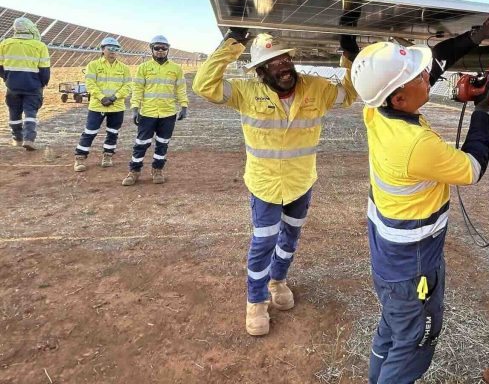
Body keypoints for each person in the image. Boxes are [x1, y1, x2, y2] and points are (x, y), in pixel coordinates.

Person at [350, 16, 489, 384]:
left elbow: (435, 61)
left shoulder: (376, 110)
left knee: (393, 328)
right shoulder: (416, 145)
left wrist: (476, 36)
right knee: (415, 339)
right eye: (418, 78)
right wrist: (483, 111)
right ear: (400, 98)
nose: (427, 77)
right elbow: (471, 169)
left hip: (389, 264)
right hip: (414, 269)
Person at [192, 30, 358, 337]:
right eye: (273, 62)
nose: (282, 66)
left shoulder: (316, 88)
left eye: (285, 59)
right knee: (263, 242)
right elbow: (204, 86)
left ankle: (278, 281)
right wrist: (232, 44)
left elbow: (349, 94)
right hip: (265, 184)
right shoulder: (245, 92)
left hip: (301, 182)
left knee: (290, 237)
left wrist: (350, 57)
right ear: (260, 71)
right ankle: (256, 302)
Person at [122, 35, 188, 186]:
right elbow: (137, 89)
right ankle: (134, 171)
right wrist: (135, 109)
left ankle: (157, 170)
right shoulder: (143, 68)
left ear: (168, 50)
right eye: (157, 48)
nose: (160, 50)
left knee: (162, 143)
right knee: (141, 143)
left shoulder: (176, 69)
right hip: (148, 113)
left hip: (168, 113)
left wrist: (184, 106)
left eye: (163, 48)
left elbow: (181, 88)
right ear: (151, 49)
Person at [73, 37, 132, 171]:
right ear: (102, 49)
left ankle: (108, 156)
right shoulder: (93, 65)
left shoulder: (124, 68)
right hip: (97, 106)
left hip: (116, 106)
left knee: (113, 133)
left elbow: (128, 86)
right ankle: (80, 158)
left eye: (116, 49)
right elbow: (90, 84)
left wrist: (114, 97)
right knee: (90, 131)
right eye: (110, 48)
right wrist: (101, 98)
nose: (113, 51)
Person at [0, 17, 51, 151]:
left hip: (12, 85)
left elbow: (0, 66)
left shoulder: (5, 44)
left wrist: (7, 78)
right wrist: (42, 83)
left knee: (14, 111)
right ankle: (29, 139)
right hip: (33, 86)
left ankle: (17, 138)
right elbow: (44, 70)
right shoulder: (39, 46)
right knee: (30, 112)